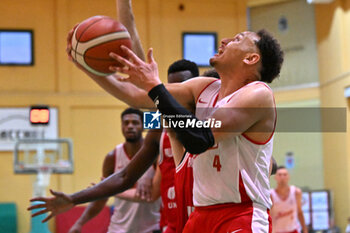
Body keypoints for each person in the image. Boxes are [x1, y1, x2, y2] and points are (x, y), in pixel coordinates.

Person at [29, 28, 283, 232]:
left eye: (238, 39)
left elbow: (200, 138)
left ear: (251, 58)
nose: (226, 40)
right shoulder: (202, 89)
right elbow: (138, 96)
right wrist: (88, 65)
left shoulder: (258, 94)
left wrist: (155, 86)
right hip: (201, 215)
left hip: (241, 214)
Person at [68, 108, 161, 233]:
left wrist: (110, 190)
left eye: (135, 122)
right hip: (119, 228)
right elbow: (102, 197)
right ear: (121, 126)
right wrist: (79, 223)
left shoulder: (155, 153)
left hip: (151, 227)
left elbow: (153, 194)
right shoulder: (113, 156)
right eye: (126, 123)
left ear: (144, 126)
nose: (130, 126)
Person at [270, 166, 308, 233]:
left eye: (285, 174)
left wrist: (305, 229)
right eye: (279, 175)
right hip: (277, 231)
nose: (282, 177)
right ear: (275, 177)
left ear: (288, 177)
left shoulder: (296, 192)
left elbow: (299, 212)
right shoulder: (271, 195)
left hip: (293, 230)